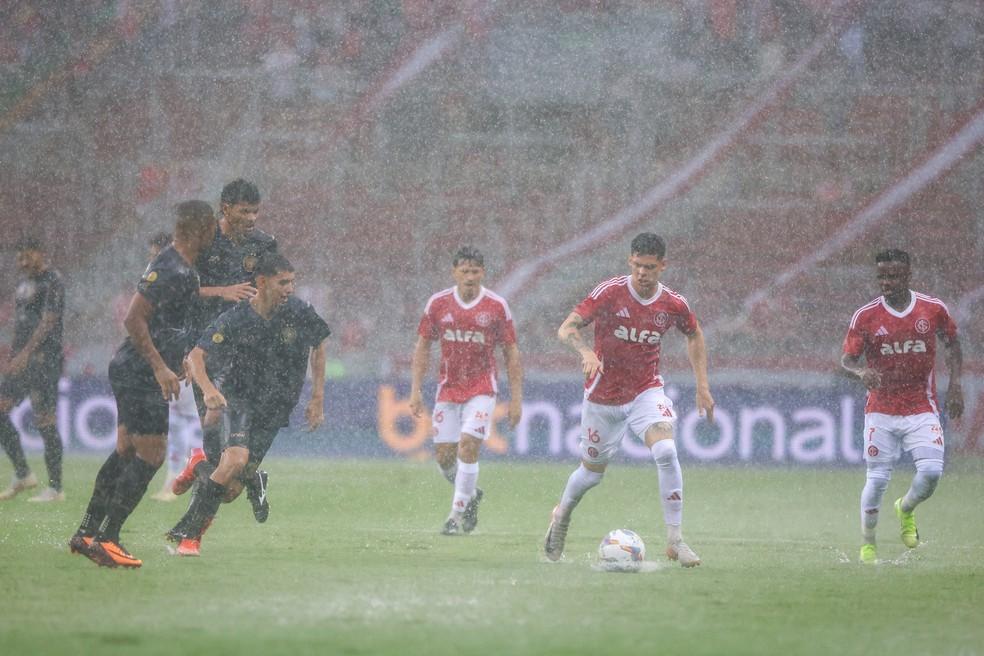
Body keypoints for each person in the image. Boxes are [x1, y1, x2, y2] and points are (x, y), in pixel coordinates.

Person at [543, 233, 714, 567]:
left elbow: (694, 334)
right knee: (591, 474)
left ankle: (675, 540)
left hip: (645, 391)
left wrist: (702, 386)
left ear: (663, 266)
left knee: (666, 450)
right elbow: (566, 328)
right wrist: (586, 350)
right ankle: (561, 516)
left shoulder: (673, 304)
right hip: (602, 397)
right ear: (629, 262)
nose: (643, 273)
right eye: (637, 265)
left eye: (650, 267)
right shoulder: (611, 293)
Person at [68, 200, 216, 568]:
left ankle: (87, 532)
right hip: (139, 371)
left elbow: (169, 323)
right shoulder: (171, 267)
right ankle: (108, 537)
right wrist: (159, 368)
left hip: (135, 368)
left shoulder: (182, 269)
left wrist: (178, 357)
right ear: (200, 229)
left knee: (124, 450)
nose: (215, 233)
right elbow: (133, 320)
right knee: (151, 454)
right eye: (212, 227)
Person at [166, 252, 330, 556]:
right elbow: (196, 357)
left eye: (293, 282)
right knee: (235, 460)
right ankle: (190, 537)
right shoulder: (236, 318)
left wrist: (317, 396)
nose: (290, 289)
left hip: (277, 405)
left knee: (229, 491)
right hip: (240, 399)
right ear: (263, 282)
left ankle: (209, 467)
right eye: (283, 283)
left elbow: (319, 343)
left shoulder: (299, 312)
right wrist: (208, 389)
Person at [841, 248, 963, 565]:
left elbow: (953, 344)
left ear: (908, 275)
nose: (886, 282)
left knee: (932, 473)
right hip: (880, 410)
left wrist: (956, 385)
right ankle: (868, 546)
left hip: (921, 406)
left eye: (893, 275)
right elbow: (847, 360)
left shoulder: (932, 309)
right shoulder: (865, 316)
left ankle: (905, 508)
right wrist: (859, 372)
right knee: (877, 478)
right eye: (881, 276)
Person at [409, 246, 523, 535]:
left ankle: (455, 516)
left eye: (475, 271)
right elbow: (423, 346)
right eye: (464, 271)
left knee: (468, 446)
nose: (470, 277)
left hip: (482, 389)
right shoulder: (438, 304)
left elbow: (511, 352)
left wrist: (516, 399)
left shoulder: (496, 306)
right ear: (454, 272)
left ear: (483, 273)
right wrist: (415, 390)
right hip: (448, 389)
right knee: (445, 458)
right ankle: (471, 496)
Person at [185, 179, 277, 519]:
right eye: (244, 211)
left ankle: (191, 528)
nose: (251, 218)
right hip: (205, 353)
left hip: (247, 356)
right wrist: (222, 291)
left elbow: (276, 288)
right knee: (217, 458)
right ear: (225, 209)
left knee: (225, 457)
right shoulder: (203, 241)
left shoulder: (264, 245)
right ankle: (250, 480)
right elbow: (181, 290)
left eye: (255, 211)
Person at [0, 238, 66, 502]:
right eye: (20, 259)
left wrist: (26, 353)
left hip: (43, 361)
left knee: (44, 419)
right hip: (21, 361)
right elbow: (21, 321)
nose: (23, 263)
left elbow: (48, 322)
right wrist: (13, 355)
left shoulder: (53, 281)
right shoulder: (24, 284)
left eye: (28, 257)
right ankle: (23, 473)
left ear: (41, 254)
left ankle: (55, 488)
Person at [140, 232, 202, 502]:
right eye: (151, 255)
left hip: (180, 358)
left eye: (156, 255)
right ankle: (178, 480)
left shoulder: (180, 277)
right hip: (165, 357)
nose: (153, 260)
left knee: (187, 421)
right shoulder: (161, 278)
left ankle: (186, 479)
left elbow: (190, 317)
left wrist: (187, 353)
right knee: (179, 419)